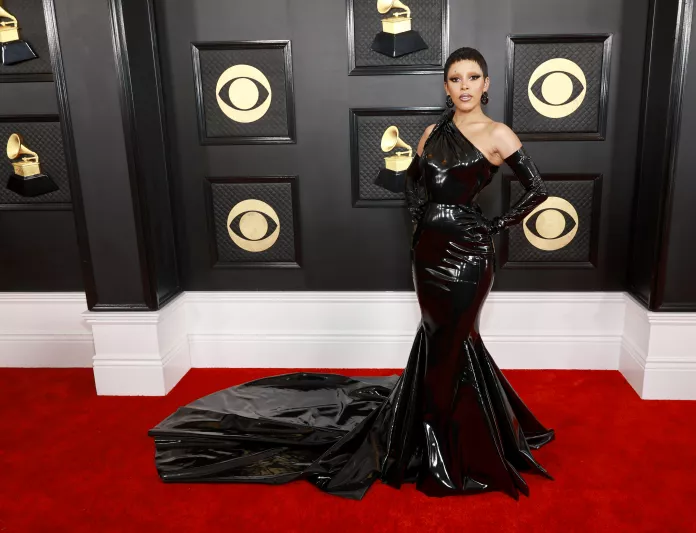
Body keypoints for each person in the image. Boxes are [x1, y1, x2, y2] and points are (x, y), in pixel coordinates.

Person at [147, 47, 554, 501]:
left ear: (486, 84)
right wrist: (419, 232)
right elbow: (414, 187)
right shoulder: (431, 134)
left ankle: (452, 448)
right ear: (446, 86)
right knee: (445, 341)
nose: (464, 86)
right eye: (455, 78)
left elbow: (538, 189)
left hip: (469, 255)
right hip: (428, 255)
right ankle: (464, 432)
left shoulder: (498, 134)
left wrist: (493, 226)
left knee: (452, 343)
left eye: (472, 77)